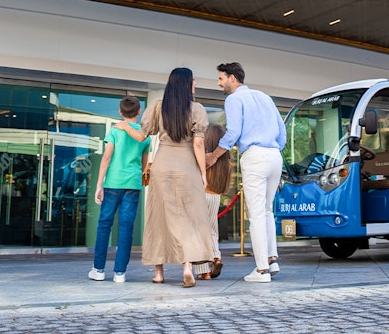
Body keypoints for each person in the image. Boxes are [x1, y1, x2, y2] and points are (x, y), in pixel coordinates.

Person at [120, 67, 211, 288]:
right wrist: (203, 173)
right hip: (187, 165)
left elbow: (143, 134)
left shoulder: (158, 107)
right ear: (187, 84)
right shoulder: (197, 109)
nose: (195, 84)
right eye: (193, 81)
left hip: (162, 164)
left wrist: (124, 126)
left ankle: (159, 272)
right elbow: (198, 144)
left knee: (159, 216)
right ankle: (187, 267)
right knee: (188, 217)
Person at [206, 62, 286, 283]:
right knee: (268, 211)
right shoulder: (264, 97)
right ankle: (271, 259)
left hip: (255, 155)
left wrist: (213, 156)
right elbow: (282, 132)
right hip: (274, 155)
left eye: (221, 78)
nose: (219, 83)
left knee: (257, 214)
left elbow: (234, 132)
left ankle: (261, 271)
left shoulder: (234, 99)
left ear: (232, 78)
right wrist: (273, 148)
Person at [89, 96, 149, 283]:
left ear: (120, 112)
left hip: (113, 183)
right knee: (126, 228)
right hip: (132, 185)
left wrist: (99, 184)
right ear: (139, 112)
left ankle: (98, 270)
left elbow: (106, 159)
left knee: (104, 224)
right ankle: (120, 273)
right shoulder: (144, 135)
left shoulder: (114, 131)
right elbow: (145, 165)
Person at [192, 123, 232, 280]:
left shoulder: (204, 158)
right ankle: (216, 257)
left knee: (199, 232)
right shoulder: (226, 162)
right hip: (215, 197)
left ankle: (204, 271)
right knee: (212, 231)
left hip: (201, 195)